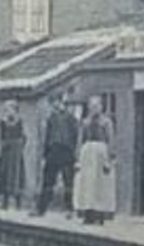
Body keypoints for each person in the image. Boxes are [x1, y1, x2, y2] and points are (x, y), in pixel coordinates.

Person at [72, 97, 117, 225]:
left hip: (101, 154)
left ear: (101, 107)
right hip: (87, 156)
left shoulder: (106, 122)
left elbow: (111, 139)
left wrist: (110, 157)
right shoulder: (85, 122)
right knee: (87, 185)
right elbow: (80, 140)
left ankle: (100, 214)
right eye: (92, 106)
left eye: (97, 106)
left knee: (101, 186)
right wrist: (78, 158)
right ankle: (88, 213)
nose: (94, 109)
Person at [35, 94, 79, 217]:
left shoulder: (71, 119)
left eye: (57, 102)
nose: (55, 105)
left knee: (68, 182)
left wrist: (74, 154)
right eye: (53, 103)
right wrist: (45, 155)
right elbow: (47, 138)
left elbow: (75, 137)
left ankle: (69, 209)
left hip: (66, 152)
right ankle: (41, 209)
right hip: (53, 151)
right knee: (48, 181)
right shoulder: (51, 119)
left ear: (61, 102)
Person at [0, 102, 28, 210]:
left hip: (16, 155)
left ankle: (18, 204)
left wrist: (18, 145)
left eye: (10, 109)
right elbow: (2, 137)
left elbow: (24, 138)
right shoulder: (3, 123)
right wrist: (4, 145)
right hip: (6, 153)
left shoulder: (19, 122)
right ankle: (5, 203)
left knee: (16, 176)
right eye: (6, 109)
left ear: (15, 110)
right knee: (4, 175)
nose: (8, 111)